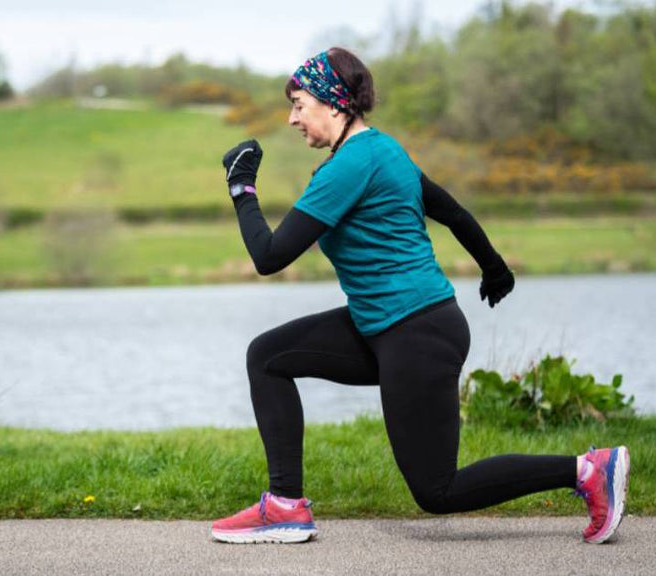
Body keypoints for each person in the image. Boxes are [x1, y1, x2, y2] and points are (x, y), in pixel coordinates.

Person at [210, 48, 630, 545]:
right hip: (389, 325)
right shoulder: (385, 151)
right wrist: (494, 268)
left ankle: (587, 470)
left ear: (333, 103)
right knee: (268, 356)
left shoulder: (348, 167)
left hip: (415, 332)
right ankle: (284, 504)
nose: (292, 118)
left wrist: (242, 188)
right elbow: (451, 211)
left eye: (299, 104)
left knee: (437, 490)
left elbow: (270, 255)